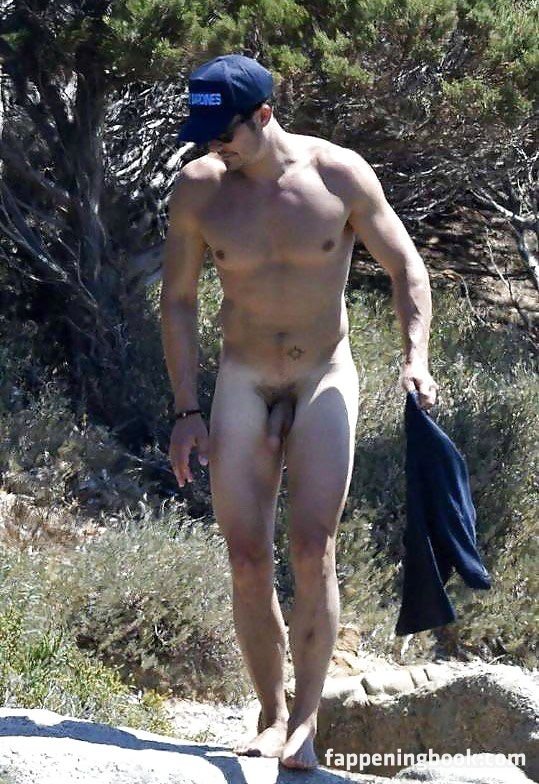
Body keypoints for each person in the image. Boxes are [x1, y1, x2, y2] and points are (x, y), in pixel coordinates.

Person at [160, 54, 438, 770]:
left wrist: (415, 356)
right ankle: (270, 711)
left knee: (314, 547)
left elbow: (406, 266)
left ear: (264, 115)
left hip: (323, 374)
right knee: (246, 556)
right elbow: (179, 302)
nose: (214, 146)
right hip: (244, 378)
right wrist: (186, 409)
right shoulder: (199, 190)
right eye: (204, 134)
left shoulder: (338, 174)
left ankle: (306, 723)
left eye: (225, 132)